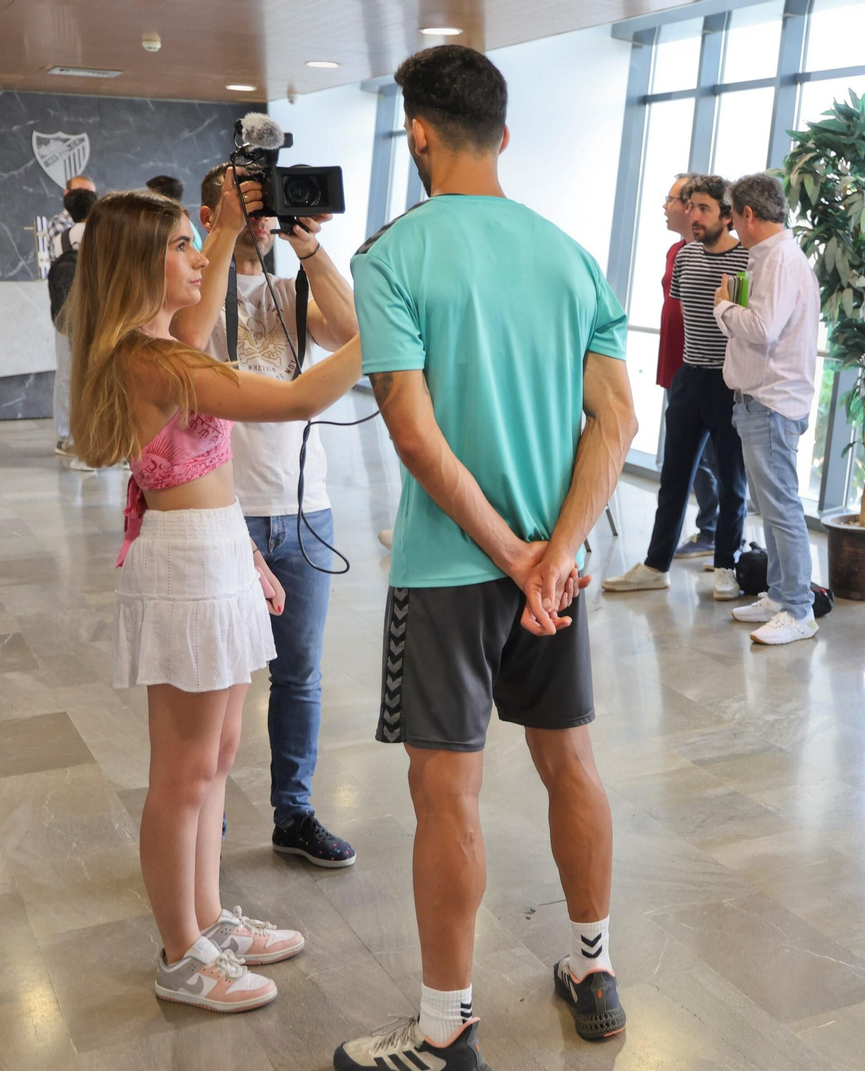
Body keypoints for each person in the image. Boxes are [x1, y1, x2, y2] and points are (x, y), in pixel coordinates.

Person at [331, 45, 637, 1071]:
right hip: (554, 573)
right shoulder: (569, 256)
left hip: (450, 575)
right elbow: (616, 420)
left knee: (446, 796)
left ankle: (445, 1028)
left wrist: (509, 554)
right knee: (571, 762)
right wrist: (554, 554)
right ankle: (594, 968)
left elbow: (414, 436)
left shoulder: (392, 258)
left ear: (416, 134)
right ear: (503, 135)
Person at [65, 185, 363, 1013]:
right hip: (188, 567)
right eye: (180, 245)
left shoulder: (167, 344)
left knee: (219, 755)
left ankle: (206, 920)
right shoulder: (155, 361)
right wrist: (387, 335)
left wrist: (229, 224)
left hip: (216, 551)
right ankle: (180, 953)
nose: (198, 258)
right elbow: (299, 398)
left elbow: (198, 327)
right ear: (138, 264)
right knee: (184, 772)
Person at [167, 163, 360, 868]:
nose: (262, 217)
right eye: (248, 202)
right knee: (217, 677)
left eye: (266, 203)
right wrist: (225, 231)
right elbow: (189, 340)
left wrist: (309, 245)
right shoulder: (192, 293)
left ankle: (294, 813)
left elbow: (354, 332)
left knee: (299, 675)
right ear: (211, 211)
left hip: (305, 509)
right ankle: (206, 815)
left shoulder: (292, 290)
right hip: (227, 514)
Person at [604, 174, 750, 600]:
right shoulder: (685, 255)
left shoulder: (746, 260)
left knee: (732, 482)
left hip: (727, 383)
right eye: (692, 207)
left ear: (727, 215)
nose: (694, 216)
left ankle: (726, 566)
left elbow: (744, 323)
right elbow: (685, 313)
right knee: (673, 479)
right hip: (688, 377)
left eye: (704, 208)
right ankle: (656, 566)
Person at [712, 173, 821, 645]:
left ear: (749, 215)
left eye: (733, 216)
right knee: (772, 509)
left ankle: (799, 610)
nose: (732, 226)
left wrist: (723, 307)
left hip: (772, 403)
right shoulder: (772, 258)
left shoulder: (778, 259)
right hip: (762, 401)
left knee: (782, 509)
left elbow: (762, 328)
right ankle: (779, 596)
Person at [657, 172, 722, 562]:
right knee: (686, 460)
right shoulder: (676, 252)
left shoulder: (713, 254)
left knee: (710, 457)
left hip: (701, 366)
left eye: (669, 200)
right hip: (674, 363)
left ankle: (713, 531)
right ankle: (701, 531)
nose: (664, 208)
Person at [50, 186, 98, 468]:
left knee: (68, 375)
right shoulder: (106, 234)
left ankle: (68, 436)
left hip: (69, 316)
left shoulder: (62, 238)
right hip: (102, 312)